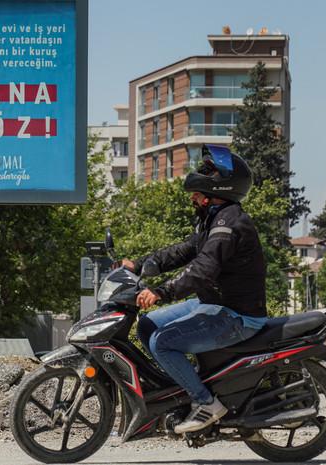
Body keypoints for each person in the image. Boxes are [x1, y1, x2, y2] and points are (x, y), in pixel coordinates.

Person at [117, 144, 267, 434]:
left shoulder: (230, 224)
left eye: (199, 192)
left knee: (162, 342)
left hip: (237, 315)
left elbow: (203, 269)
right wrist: (136, 264)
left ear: (219, 191)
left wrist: (161, 291)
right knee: (146, 325)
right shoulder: (212, 220)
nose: (194, 197)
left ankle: (205, 402)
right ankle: (183, 387)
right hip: (212, 304)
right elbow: (183, 251)